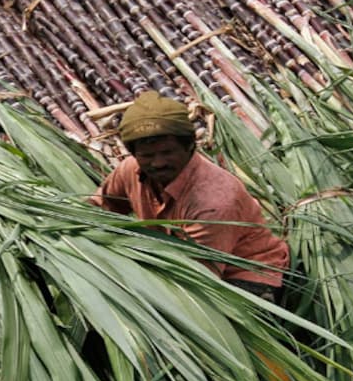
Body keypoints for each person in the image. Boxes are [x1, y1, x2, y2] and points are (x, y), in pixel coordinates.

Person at [90, 91, 289, 301]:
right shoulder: (130, 170)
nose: (157, 163)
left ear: (190, 147)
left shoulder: (213, 200)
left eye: (167, 152)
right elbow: (99, 207)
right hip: (177, 261)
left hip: (242, 273)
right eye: (147, 155)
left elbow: (197, 276)